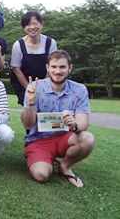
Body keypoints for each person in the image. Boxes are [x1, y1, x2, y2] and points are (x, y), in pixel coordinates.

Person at [21, 50, 95, 187]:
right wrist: (31, 103)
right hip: (39, 140)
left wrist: (74, 126)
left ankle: (64, 167)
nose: (58, 71)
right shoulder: (36, 88)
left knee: (87, 138)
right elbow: (27, 124)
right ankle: (44, 159)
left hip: (65, 138)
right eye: (54, 67)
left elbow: (83, 122)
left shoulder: (79, 89)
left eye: (62, 67)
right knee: (41, 175)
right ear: (47, 68)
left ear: (70, 68)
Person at [10, 11, 57, 106]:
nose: (32, 27)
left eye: (35, 23)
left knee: (46, 108)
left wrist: (43, 87)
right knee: (29, 110)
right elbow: (16, 69)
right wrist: (29, 87)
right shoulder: (18, 45)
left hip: (46, 83)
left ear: (41, 24)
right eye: (28, 24)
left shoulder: (50, 43)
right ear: (24, 27)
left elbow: (53, 66)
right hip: (23, 83)